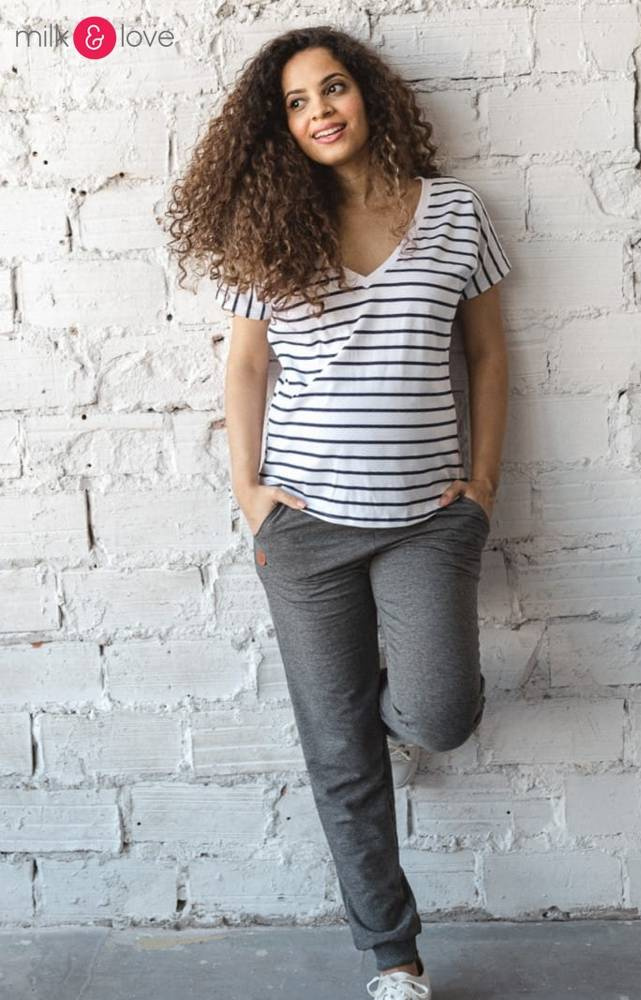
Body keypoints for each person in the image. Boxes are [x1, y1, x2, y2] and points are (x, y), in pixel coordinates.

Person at [165, 23, 511, 1000]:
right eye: (295, 102)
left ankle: (392, 703)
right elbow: (246, 366)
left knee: (438, 716)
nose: (319, 111)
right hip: (305, 528)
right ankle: (393, 957)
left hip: (428, 518)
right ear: (278, 127)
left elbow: (487, 353)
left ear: (369, 95)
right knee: (341, 753)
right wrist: (250, 493)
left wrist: (482, 486)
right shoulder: (268, 227)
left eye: (333, 88)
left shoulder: (454, 214)